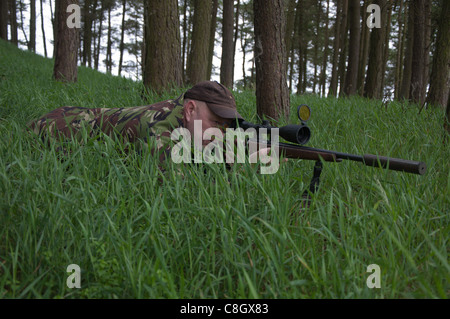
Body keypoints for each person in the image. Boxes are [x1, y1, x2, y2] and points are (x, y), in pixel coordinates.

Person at [28, 81, 243, 163]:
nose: (220, 134)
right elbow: (176, 187)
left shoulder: (191, 124)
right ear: (190, 110)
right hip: (61, 125)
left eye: (225, 126)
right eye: (216, 122)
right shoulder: (159, 126)